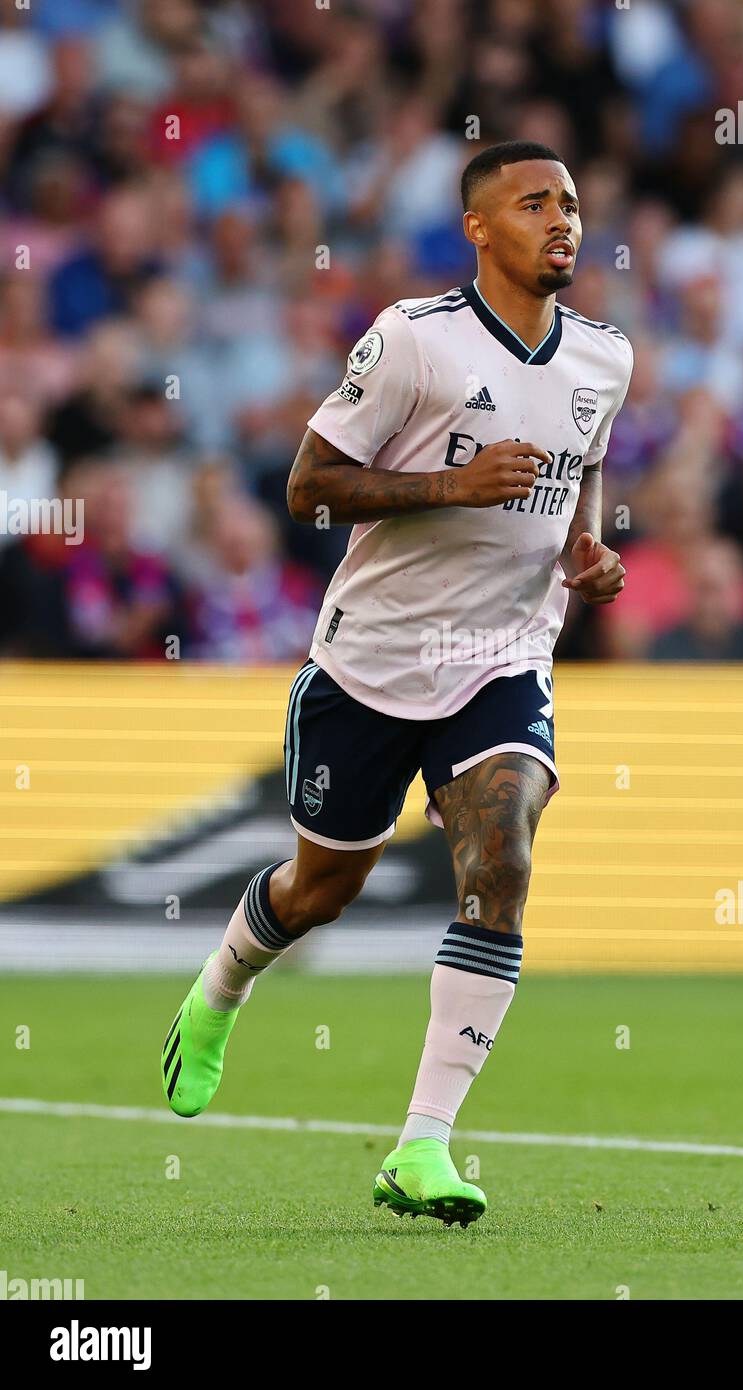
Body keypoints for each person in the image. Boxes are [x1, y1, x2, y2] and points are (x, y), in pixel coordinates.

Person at [160, 140, 633, 1227]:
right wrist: (450, 485)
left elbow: (580, 468)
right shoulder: (413, 342)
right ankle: (220, 987)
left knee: (501, 847)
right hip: (369, 659)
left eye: (568, 200)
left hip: (501, 657)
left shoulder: (604, 357)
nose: (560, 219)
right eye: (531, 203)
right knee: (321, 890)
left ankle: (424, 1144)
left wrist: (581, 551)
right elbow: (307, 486)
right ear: (478, 227)